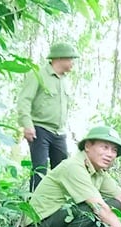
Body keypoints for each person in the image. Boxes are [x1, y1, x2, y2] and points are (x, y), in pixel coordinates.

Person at [17, 42, 80, 191]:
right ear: (59, 58)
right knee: (39, 171)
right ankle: (34, 208)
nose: (72, 63)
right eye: (70, 59)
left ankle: (57, 208)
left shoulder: (65, 81)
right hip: (40, 130)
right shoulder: (38, 75)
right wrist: (27, 124)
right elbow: (24, 101)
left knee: (63, 172)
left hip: (59, 133)